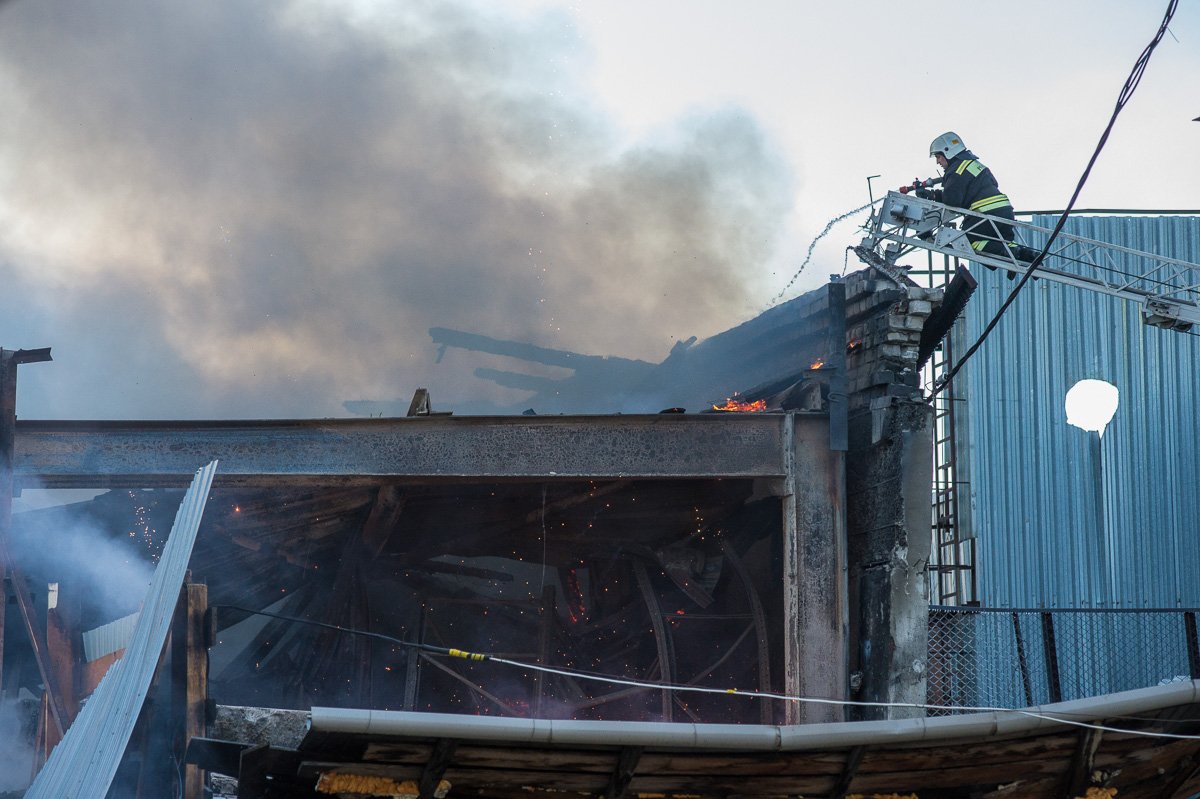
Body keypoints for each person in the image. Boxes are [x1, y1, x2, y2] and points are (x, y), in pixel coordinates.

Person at [922, 132, 1037, 276]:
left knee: (967, 243)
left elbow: (952, 200)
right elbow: (971, 191)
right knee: (1003, 241)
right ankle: (1027, 255)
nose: (938, 162)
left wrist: (932, 195)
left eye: (938, 157)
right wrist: (936, 194)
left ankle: (1011, 254)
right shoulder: (974, 164)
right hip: (1005, 211)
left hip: (986, 213)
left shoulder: (957, 170)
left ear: (948, 152)